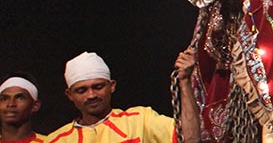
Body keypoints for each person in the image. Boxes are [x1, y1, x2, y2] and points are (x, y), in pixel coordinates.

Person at [44, 51, 199, 143]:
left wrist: (184, 82)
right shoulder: (56, 140)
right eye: (81, 90)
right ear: (69, 95)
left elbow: (190, 140)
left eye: (98, 87)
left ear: (112, 86)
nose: (91, 95)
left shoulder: (140, 120)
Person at [1, 76, 41, 143]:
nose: (11, 104)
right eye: (4, 99)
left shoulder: (51, 141)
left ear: (35, 105)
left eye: (20, 98)